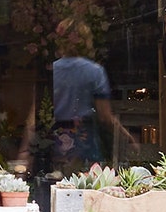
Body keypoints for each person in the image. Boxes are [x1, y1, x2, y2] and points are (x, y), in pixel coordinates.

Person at [17, 19, 135, 172]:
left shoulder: (51, 70)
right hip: (85, 140)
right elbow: (104, 116)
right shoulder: (95, 72)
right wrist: (126, 135)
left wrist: (24, 151)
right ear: (86, 42)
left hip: (58, 140)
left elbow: (34, 115)